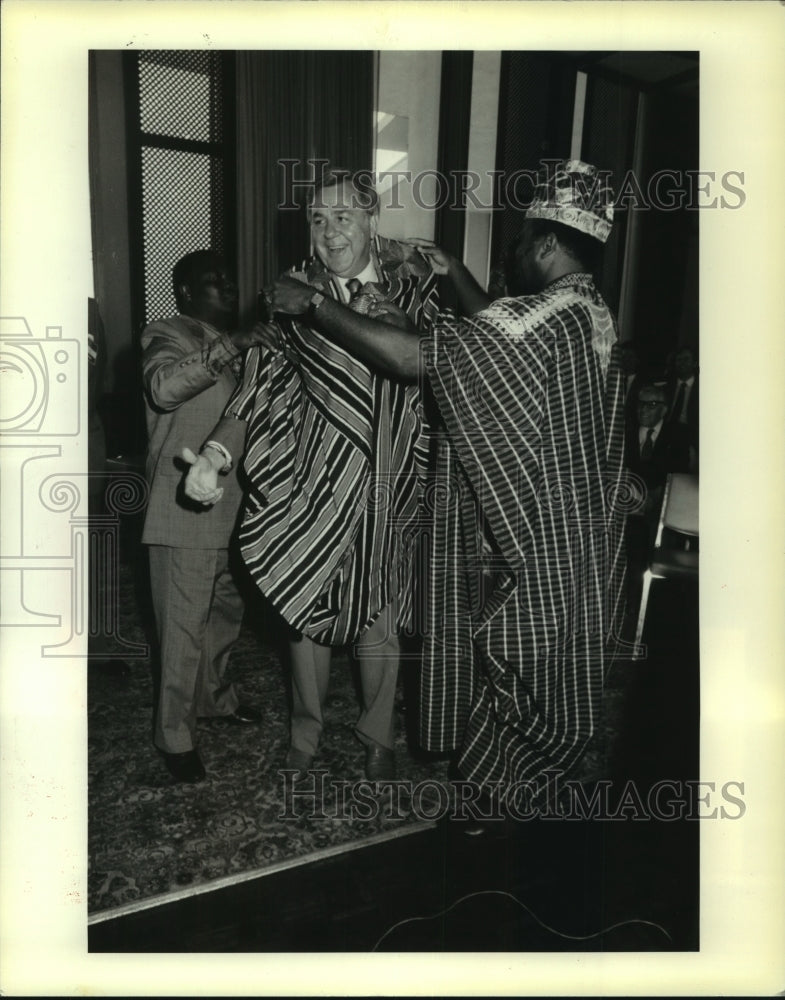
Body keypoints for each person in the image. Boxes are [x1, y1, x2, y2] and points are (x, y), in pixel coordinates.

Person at [268, 159, 628, 814]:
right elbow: (496, 335)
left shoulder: (538, 316)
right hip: (577, 525)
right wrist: (452, 274)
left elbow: (418, 358)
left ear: (546, 245)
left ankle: (502, 813)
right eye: (318, 219)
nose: (514, 251)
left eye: (520, 240)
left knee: (509, 667)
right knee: (542, 667)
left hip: (527, 535)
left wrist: (316, 306)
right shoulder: (586, 313)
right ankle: (519, 803)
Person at [183, 170, 441, 781]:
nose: (330, 232)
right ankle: (307, 731)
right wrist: (217, 455)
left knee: (380, 613)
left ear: (373, 216)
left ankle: (378, 734)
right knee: (306, 608)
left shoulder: (416, 289)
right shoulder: (291, 291)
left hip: (391, 479)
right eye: (317, 219)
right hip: (316, 485)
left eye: (343, 216)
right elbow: (255, 389)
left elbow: (442, 368)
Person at [141, 249, 267, 784]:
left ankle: (214, 700)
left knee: (223, 616)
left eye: (229, 277)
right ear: (186, 293)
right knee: (182, 628)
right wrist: (234, 342)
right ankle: (173, 734)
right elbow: (164, 388)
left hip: (239, 507)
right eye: (213, 281)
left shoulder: (244, 349)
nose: (228, 287)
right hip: (184, 506)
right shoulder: (164, 333)